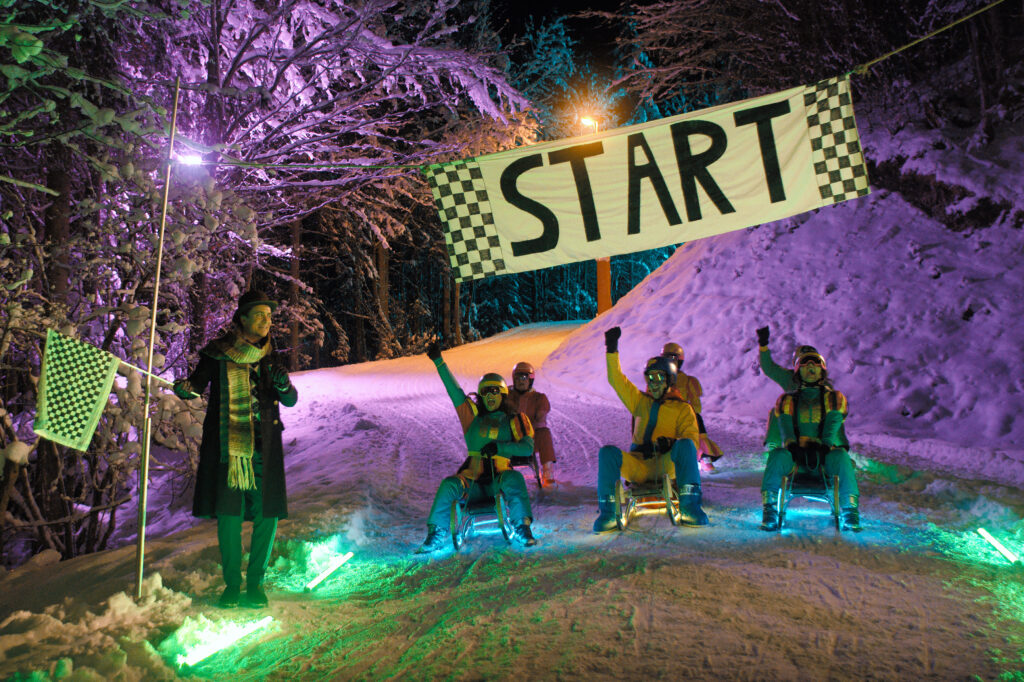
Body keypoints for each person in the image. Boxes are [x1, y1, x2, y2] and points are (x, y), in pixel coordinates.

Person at [173, 290, 298, 607]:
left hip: (264, 448)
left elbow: (290, 399)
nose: (267, 321)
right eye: (260, 315)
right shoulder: (218, 353)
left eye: (269, 316)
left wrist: (283, 384)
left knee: (266, 515)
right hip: (228, 449)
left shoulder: (271, 356)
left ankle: (255, 583)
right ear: (241, 318)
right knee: (230, 514)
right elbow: (195, 386)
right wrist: (186, 389)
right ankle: (232, 585)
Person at [416, 341, 537, 552]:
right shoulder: (471, 417)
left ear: (502, 395)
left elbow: (527, 448)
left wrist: (499, 448)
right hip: (471, 482)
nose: (490, 397)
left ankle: (522, 526)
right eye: (486, 392)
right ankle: (436, 532)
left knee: (514, 479)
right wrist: (439, 362)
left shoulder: (515, 419)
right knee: (448, 484)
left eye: (494, 392)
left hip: (498, 480)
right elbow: (454, 391)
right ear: (480, 395)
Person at [593, 327, 708, 533]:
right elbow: (616, 380)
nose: (653, 384)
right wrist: (611, 349)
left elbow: (691, 440)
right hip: (639, 465)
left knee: (685, 446)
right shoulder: (640, 402)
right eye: (650, 378)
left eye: (659, 378)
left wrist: (670, 443)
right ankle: (608, 513)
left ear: (670, 380)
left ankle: (691, 507)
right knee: (607, 453)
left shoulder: (682, 408)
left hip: (665, 464)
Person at [759, 347, 861, 532]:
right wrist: (792, 446)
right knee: (777, 455)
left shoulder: (833, 398)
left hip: (824, 458)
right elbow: (786, 426)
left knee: (841, 457)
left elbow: (833, 423)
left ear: (822, 369)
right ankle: (770, 508)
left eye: (815, 364)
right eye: (805, 365)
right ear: (798, 371)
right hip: (797, 459)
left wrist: (825, 446)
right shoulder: (787, 400)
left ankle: (850, 510)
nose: (811, 368)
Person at [755, 325, 850, 451]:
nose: (809, 368)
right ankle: (774, 444)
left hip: (816, 421)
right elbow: (769, 368)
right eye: (804, 362)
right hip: (794, 420)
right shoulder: (788, 378)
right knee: (777, 411)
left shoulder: (825, 384)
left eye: (813, 362)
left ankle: (838, 446)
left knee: (835, 413)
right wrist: (763, 346)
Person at [661, 342, 723, 472]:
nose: (670, 362)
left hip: (683, 413)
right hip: (664, 412)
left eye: (673, 359)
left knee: (697, 421)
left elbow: (695, 404)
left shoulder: (688, 380)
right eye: (666, 358)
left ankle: (704, 456)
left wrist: (690, 412)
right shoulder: (658, 378)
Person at [508, 361, 558, 486]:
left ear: (530, 380)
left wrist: (540, 413)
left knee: (544, 433)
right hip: (510, 440)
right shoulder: (507, 396)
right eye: (518, 378)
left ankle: (548, 473)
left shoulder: (538, 398)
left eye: (524, 378)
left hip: (530, 440)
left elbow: (542, 415)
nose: (521, 381)